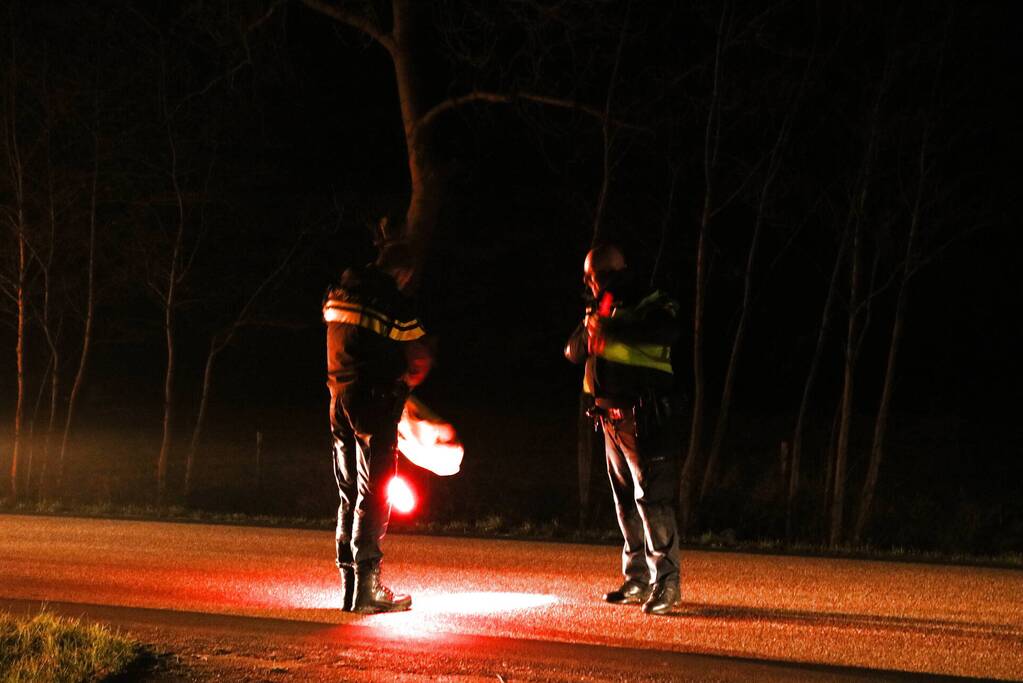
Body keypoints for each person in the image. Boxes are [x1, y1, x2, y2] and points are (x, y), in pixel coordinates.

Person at [564, 243, 684, 615]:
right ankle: (637, 578)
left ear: (613, 271)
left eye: (593, 275)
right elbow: (572, 351)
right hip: (609, 418)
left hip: (644, 415)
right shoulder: (601, 307)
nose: (588, 282)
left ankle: (667, 582)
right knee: (624, 502)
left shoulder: (651, 300)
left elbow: (667, 331)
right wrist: (591, 328)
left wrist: (612, 326)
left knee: (652, 500)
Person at [322, 240, 431, 613]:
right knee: (375, 489)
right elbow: (418, 356)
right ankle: (369, 588)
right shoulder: (390, 300)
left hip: (338, 397)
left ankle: (349, 586)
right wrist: (408, 392)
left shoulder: (339, 292)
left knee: (349, 491)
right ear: (403, 274)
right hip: (373, 401)